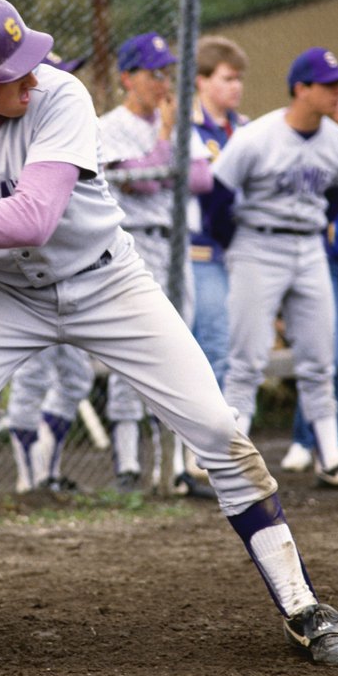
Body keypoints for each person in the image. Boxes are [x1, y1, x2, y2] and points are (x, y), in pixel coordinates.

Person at [0, 0, 338, 671]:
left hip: (106, 281)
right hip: (0, 295)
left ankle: (302, 606)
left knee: (217, 429)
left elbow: (33, 218)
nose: (32, 75)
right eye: (13, 71)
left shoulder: (60, 97)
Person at [209, 46, 338, 491]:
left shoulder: (335, 140)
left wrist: (313, 230)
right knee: (247, 359)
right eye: (329, 85)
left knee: (321, 358)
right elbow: (217, 194)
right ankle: (232, 462)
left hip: (309, 246)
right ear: (301, 88)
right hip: (258, 242)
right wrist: (234, 244)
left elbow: (334, 197)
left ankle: (330, 457)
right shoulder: (258, 136)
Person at [98, 32, 214, 496]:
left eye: (168, 72)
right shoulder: (111, 125)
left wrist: (164, 151)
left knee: (181, 353)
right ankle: (128, 464)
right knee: (131, 353)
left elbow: (202, 178)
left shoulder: (177, 119)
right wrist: (167, 141)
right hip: (134, 245)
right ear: (128, 77)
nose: (163, 82)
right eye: (153, 73)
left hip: (177, 245)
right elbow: (138, 183)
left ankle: (177, 465)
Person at [7, 50, 94, 494]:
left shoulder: (73, 121)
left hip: (77, 270)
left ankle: (48, 470)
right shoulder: (19, 136)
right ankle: (29, 480)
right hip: (28, 274)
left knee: (77, 376)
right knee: (33, 376)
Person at [282, 79, 338, 473]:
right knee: (322, 352)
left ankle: (337, 442)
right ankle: (303, 438)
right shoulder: (315, 146)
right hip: (321, 259)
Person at [189, 35, 249, 389]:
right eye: (228, 78)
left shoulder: (246, 128)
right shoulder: (185, 126)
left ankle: (224, 433)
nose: (236, 86)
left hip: (242, 249)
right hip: (200, 250)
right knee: (211, 341)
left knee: (233, 347)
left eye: (239, 78)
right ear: (202, 80)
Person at [8, 343, 94, 492]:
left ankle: (48, 477)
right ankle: (31, 485)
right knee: (31, 380)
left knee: (77, 379)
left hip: (71, 320)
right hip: (33, 320)